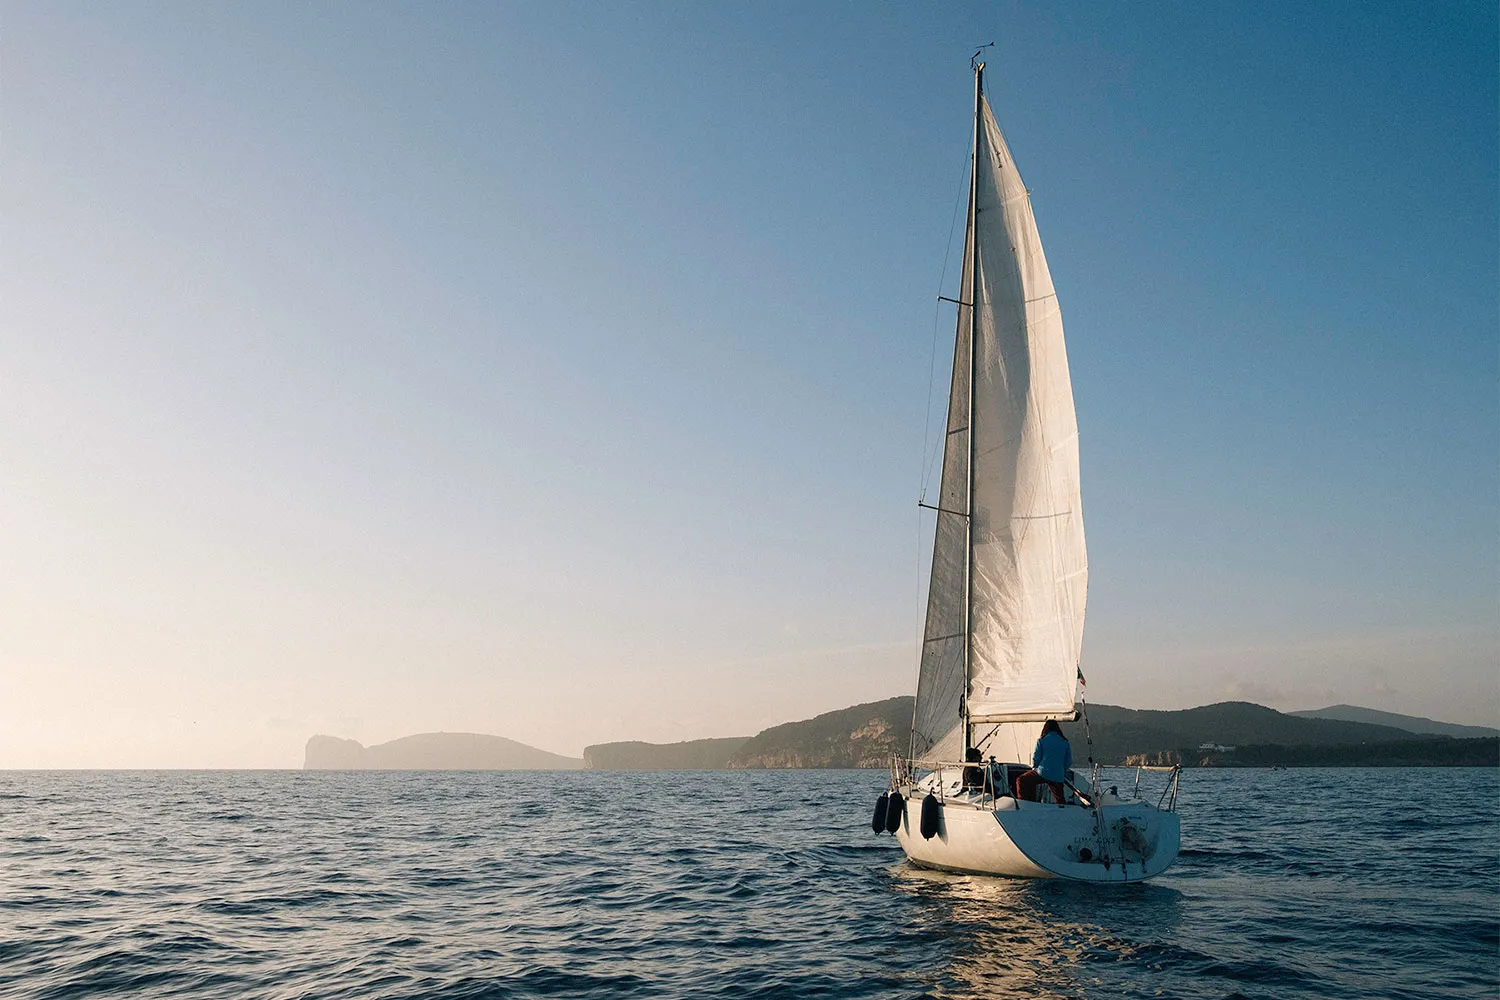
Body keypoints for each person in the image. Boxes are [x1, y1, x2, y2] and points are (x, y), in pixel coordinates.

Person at [1013, 720, 1072, 805]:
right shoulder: (1065, 742)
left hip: (1043, 772)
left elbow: (1036, 758)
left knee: (1021, 780)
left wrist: (1035, 767)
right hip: (1058, 774)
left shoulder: (1042, 740)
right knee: (1059, 799)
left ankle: (1024, 804)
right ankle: (1063, 812)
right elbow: (1068, 761)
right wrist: (1061, 770)